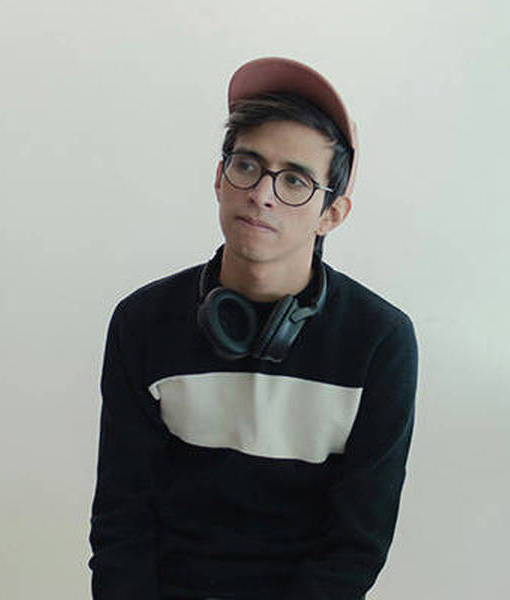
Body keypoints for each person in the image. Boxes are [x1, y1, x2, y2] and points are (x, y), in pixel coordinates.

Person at [88, 57, 419, 600]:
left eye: (294, 180)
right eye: (247, 166)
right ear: (220, 178)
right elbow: (121, 524)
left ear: (332, 214)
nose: (262, 194)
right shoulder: (142, 323)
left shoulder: (379, 342)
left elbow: (355, 548)